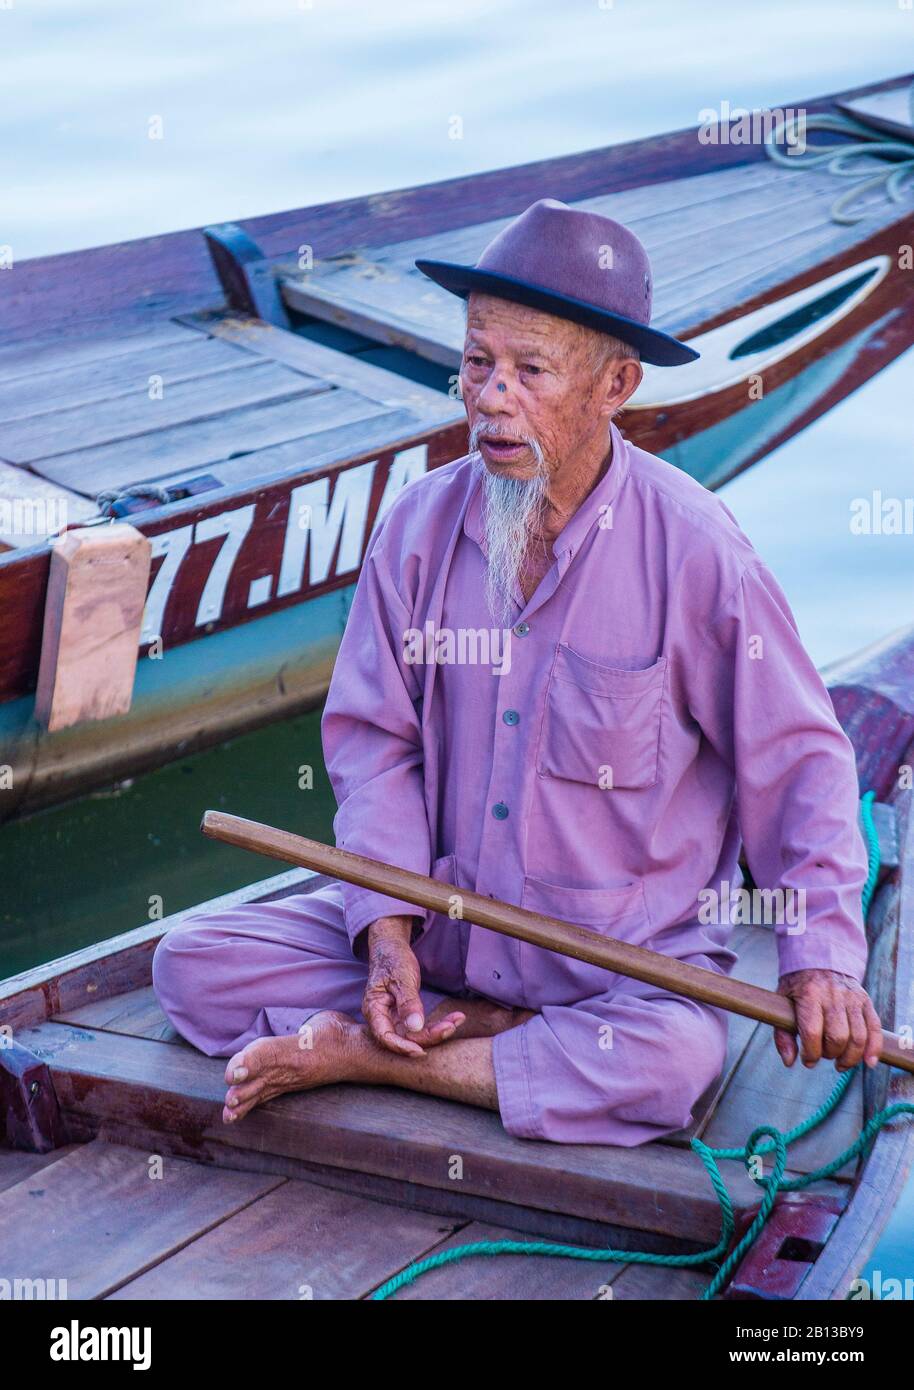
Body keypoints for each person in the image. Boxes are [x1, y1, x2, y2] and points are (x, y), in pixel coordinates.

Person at [153, 199, 882, 1145]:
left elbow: (797, 762)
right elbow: (377, 748)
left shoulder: (698, 553)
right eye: (476, 362)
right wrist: (386, 935)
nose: (490, 397)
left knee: (674, 1064)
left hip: (618, 975)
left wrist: (820, 958)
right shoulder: (417, 529)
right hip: (439, 940)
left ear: (615, 385)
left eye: (529, 371)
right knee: (193, 965)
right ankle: (488, 1040)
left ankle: (372, 1057)